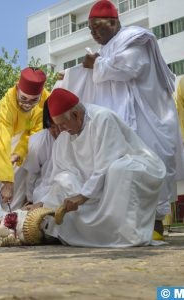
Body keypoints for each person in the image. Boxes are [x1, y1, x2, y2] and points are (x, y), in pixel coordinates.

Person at [82, 0, 184, 239]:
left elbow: (130, 67)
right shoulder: (109, 47)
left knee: (151, 164)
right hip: (128, 119)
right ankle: (133, 226)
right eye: (90, 29)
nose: (94, 32)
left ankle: (156, 225)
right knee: (125, 170)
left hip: (149, 117)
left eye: (98, 26)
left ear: (114, 22)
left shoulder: (134, 38)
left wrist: (95, 63)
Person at [41, 88, 165, 247]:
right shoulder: (65, 135)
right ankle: (75, 235)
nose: (61, 131)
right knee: (64, 181)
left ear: (76, 115)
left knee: (120, 169)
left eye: (63, 125)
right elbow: (60, 171)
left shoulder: (103, 118)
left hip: (135, 167)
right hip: (94, 184)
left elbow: (107, 163)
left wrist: (82, 196)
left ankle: (128, 235)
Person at [0, 67, 49, 210]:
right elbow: (2, 143)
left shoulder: (46, 101)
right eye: (23, 99)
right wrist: (7, 183)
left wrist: (20, 152)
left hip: (25, 145)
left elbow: (35, 132)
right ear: (17, 89)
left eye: (33, 100)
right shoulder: (6, 106)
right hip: (0, 144)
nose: (27, 104)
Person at [22, 101, 60, 210]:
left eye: (59, 125)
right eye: (52, 127)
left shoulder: (73, 134)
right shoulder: (38, 142)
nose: (57, 131)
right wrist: (30, 199)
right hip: (45, 192)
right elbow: (32, 174)